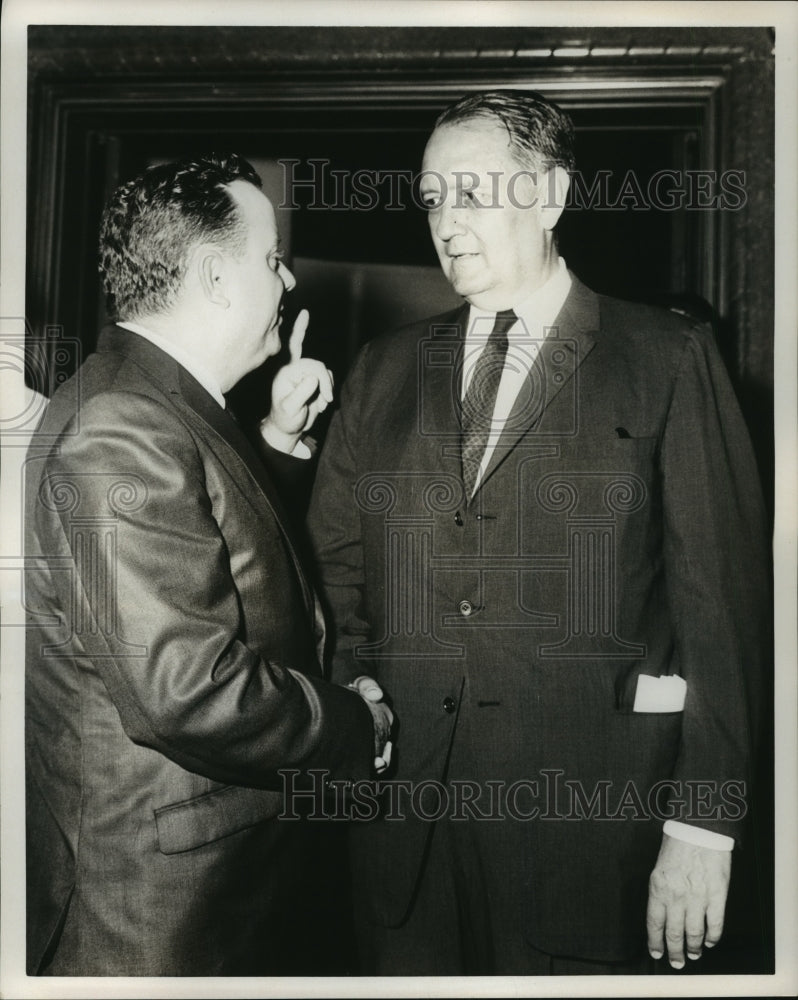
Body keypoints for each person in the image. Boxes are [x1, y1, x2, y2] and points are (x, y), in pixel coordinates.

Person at [307, 91, 769, 975]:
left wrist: (705, 822)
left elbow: (726, 612)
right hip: (403, 838)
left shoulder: (666, 359)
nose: (446, 222)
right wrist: (357, 690)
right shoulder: (383, 368)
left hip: (590, 839)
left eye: (473, 193)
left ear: (551, 196)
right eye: (433, 197)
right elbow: (336, 566)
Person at [24, 153, 392, 976]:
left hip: (194, 888)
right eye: (271, 260)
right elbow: (187, 693)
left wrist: (277, 439)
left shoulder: (150, 399)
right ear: (216, 277)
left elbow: (217, 539)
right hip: (157, 918)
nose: (288, 280)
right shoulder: (120, 425)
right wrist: (351, 727)